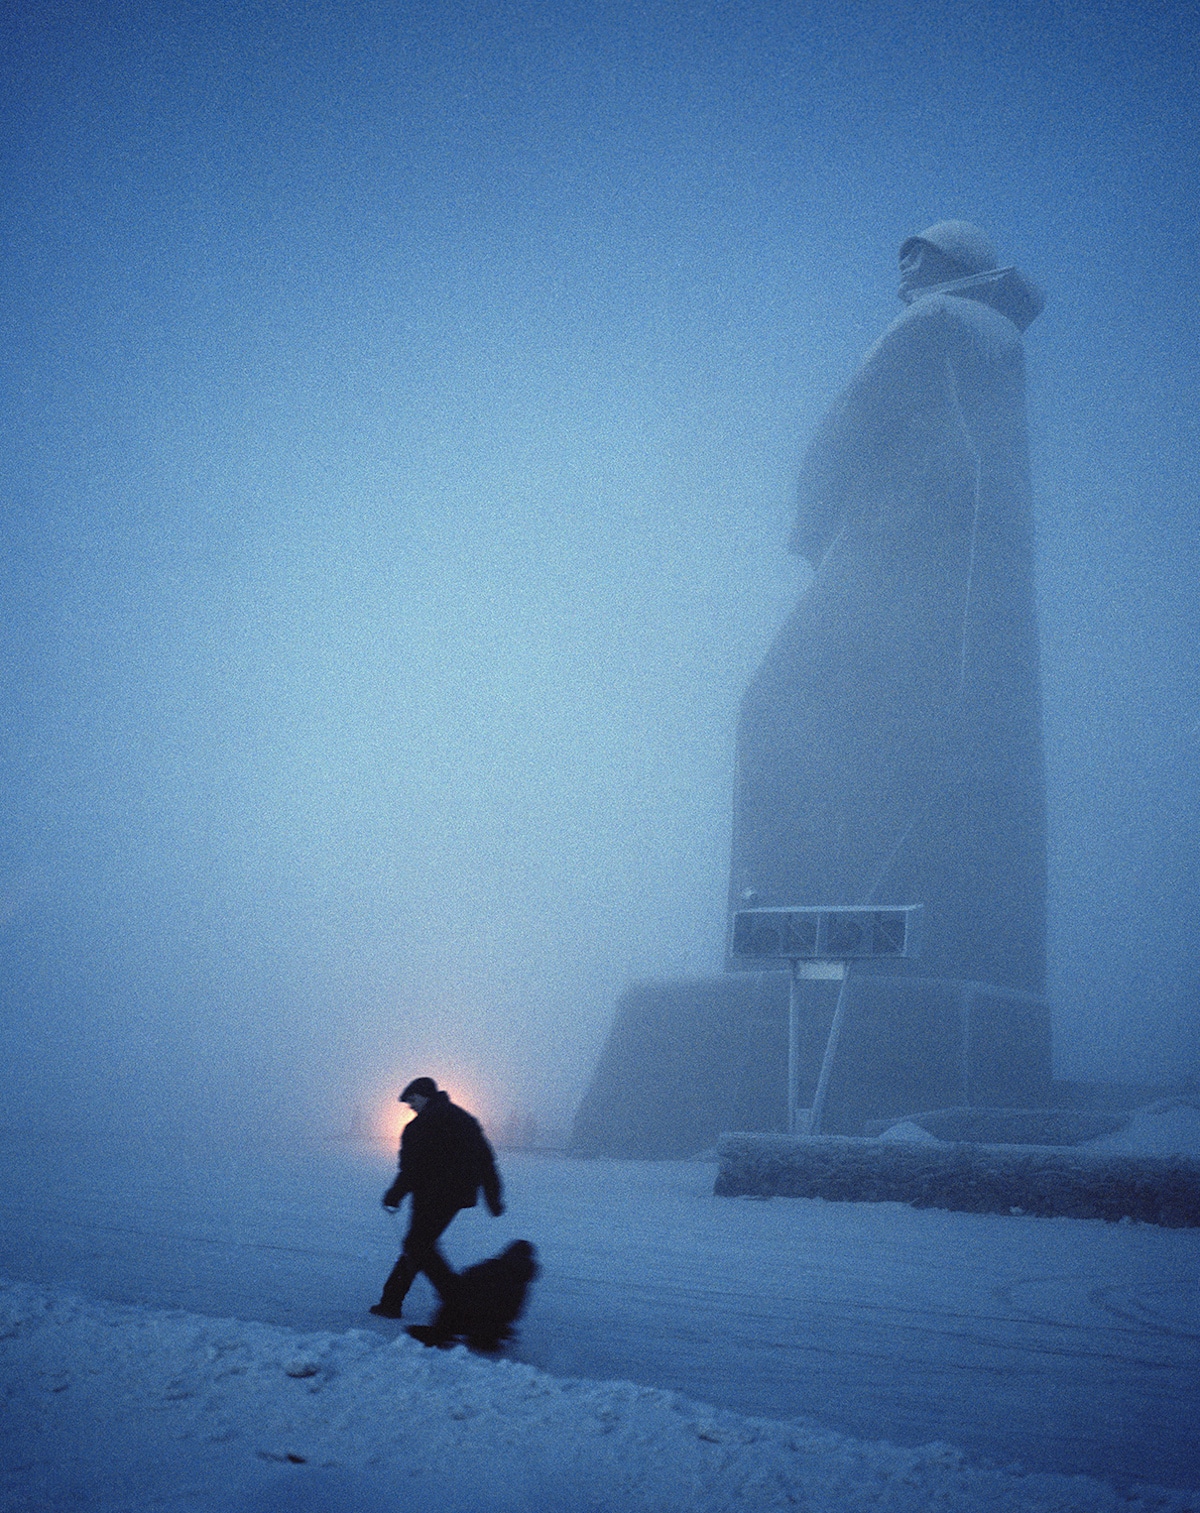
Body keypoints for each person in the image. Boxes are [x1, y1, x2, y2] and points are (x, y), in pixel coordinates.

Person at [369, 1076, 504, 1319]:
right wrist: (493, 1197)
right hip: (457, 1197)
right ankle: (392, 1300)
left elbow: (411, 1168)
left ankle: (456, 1299)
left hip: (430, 1196)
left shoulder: (419, 1127)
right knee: (419, 1245)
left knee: (417, 1245)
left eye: (411, 1100)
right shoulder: (464, 1118)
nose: (410, 1106)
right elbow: (486, 1160)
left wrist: (395, 1194)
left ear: (423, 1095)